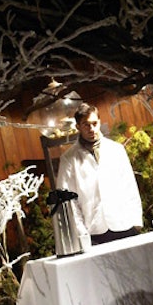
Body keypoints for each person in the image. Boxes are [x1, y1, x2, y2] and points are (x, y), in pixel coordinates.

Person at [56, 102, 143, 245]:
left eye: (94, 123)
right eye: (86, 125)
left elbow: (130, 187)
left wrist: (136, 220)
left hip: (124, 224)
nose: (91, 129)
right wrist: (81, 232)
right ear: (78, 127)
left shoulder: (116, 150)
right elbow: (67, 200)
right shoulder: (68, 158)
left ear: (99, 122)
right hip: (94, 231)